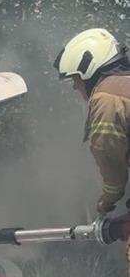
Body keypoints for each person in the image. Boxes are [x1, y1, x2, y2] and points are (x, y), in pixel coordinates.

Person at [55, 28, 130, 215]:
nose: (74, 87)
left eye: (75, 79)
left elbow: (107, 149)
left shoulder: (107, 97)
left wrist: (109, 197)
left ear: (88, 70)